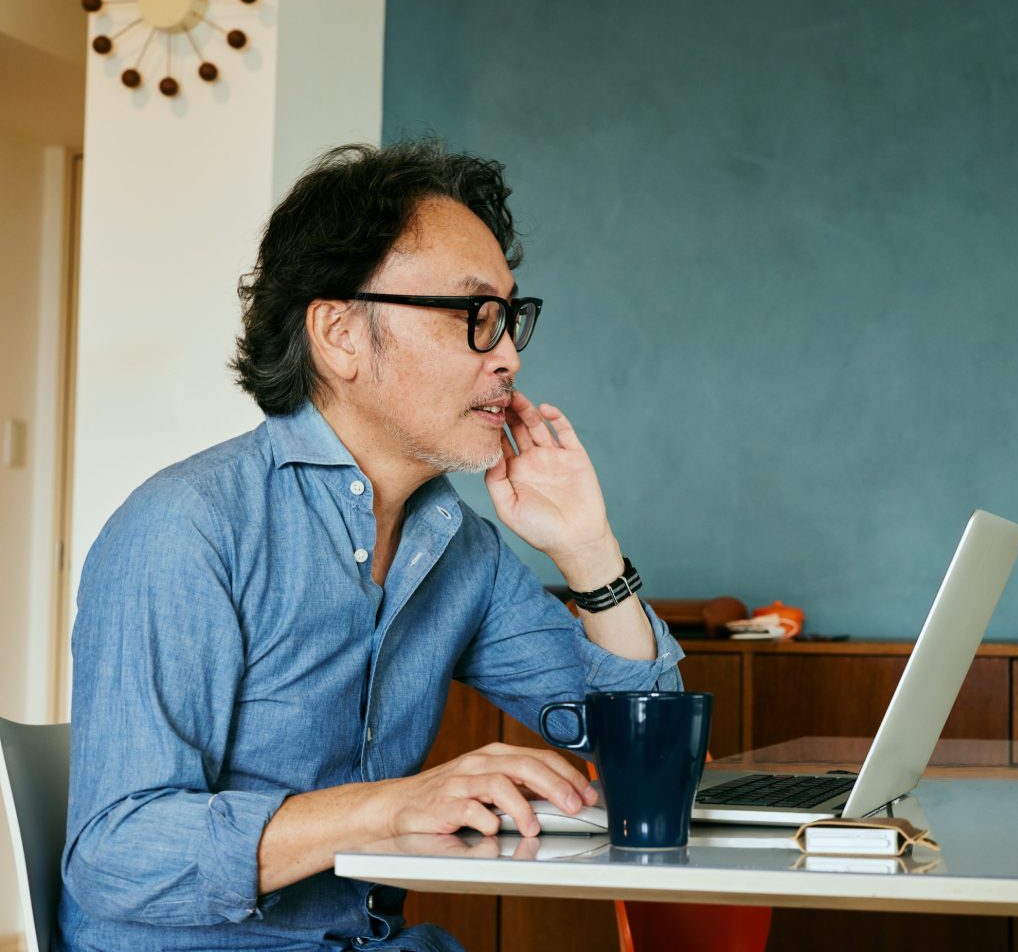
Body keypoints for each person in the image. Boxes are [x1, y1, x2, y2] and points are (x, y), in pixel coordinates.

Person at [59, 140, 683, 952]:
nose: (509, 354)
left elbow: (651, 754)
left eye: (508, 315)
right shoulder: (187, 527)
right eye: (472, 316)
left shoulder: (462, 549)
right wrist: (391, 805)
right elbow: (115, 854)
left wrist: (589, 550)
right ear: (341, 335)